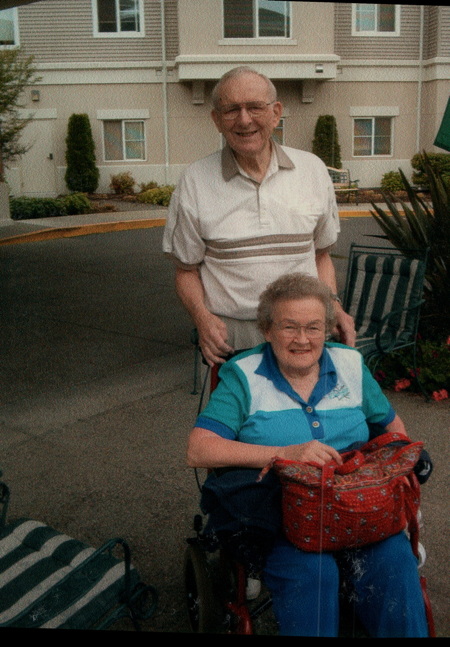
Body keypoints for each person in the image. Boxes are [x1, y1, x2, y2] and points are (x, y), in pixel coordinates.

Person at [187, 272, 429, 637]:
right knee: (315, 575)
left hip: (357, 504)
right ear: (267, 330)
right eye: (289, 327)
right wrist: (285, 452)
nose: (303, 339)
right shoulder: (244, 374)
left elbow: (392, 426)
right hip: (284, 510)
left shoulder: (349, 364)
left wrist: (391, 467)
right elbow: (199, 448)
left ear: (328, 329)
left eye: (314, 327)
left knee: (395, 563)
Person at [163, 66, 355, 367]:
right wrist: (202, 319)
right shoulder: (195, 180)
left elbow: (320, 255)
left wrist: (334, 306)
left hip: (304, 336)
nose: (244, 119)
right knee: (234, 416)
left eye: (255, 107)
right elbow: (186, 270)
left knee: (304, 414)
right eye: (231, 110)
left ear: (276, 112)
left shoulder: (313, 170)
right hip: (232, 338)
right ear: (216, 119)